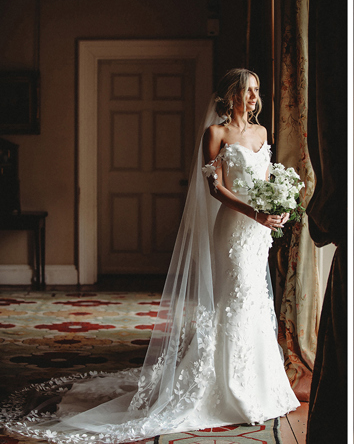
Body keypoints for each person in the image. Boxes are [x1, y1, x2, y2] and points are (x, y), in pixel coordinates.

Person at [1, 69, 299, 443]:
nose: (255, 97)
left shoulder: (261, 134)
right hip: (234, 229)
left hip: (259, 233)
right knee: (234, 300)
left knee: (256, 301)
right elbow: (216, 189)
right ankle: (225, 387)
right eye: (248, 90)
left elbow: (269, 180)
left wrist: (278, 205)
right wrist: (253, 212)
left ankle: (260, 385)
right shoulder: (216, 134)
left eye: (257, 90)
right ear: (231, 95)